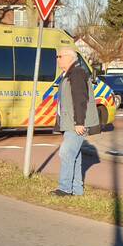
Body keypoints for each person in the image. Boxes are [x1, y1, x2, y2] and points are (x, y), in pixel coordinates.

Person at [52, 46, 100, 197]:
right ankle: (77, 190)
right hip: (71, 122)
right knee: (75, 155)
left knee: (66, 153)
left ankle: (65, 188)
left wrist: (79, 122)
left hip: (76, 123)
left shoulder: (77, 73)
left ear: (68, 57)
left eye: (59, 56)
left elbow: (80, 99)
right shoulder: (69, 73)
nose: (57, 59)